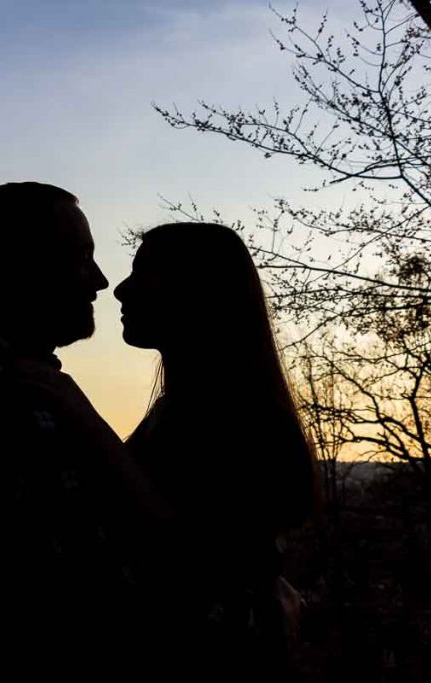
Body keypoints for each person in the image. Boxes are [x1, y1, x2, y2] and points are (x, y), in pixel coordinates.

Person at [0, 182, 167, 676]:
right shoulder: (7, 394)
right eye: (77, 256)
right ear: (16, 268)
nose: (98, 279)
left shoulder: (20, 384)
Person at [114, 222, 318, 676]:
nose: (121, 289)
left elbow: (182, 548)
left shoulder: (223, 420)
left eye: (145, 273)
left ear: (198, 291)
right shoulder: (208, 413)